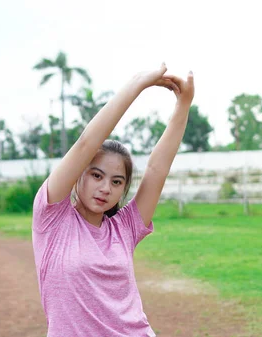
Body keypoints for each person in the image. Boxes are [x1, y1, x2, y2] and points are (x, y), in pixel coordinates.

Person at [31, 63, 195, 336]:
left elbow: (157, 169)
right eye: (97, 175)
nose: (105, 188)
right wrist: (137, 83)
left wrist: (184, 103)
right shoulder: (51, 218)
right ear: (79, 174)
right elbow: (86, 143)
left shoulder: (125, 229)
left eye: (116, 182)